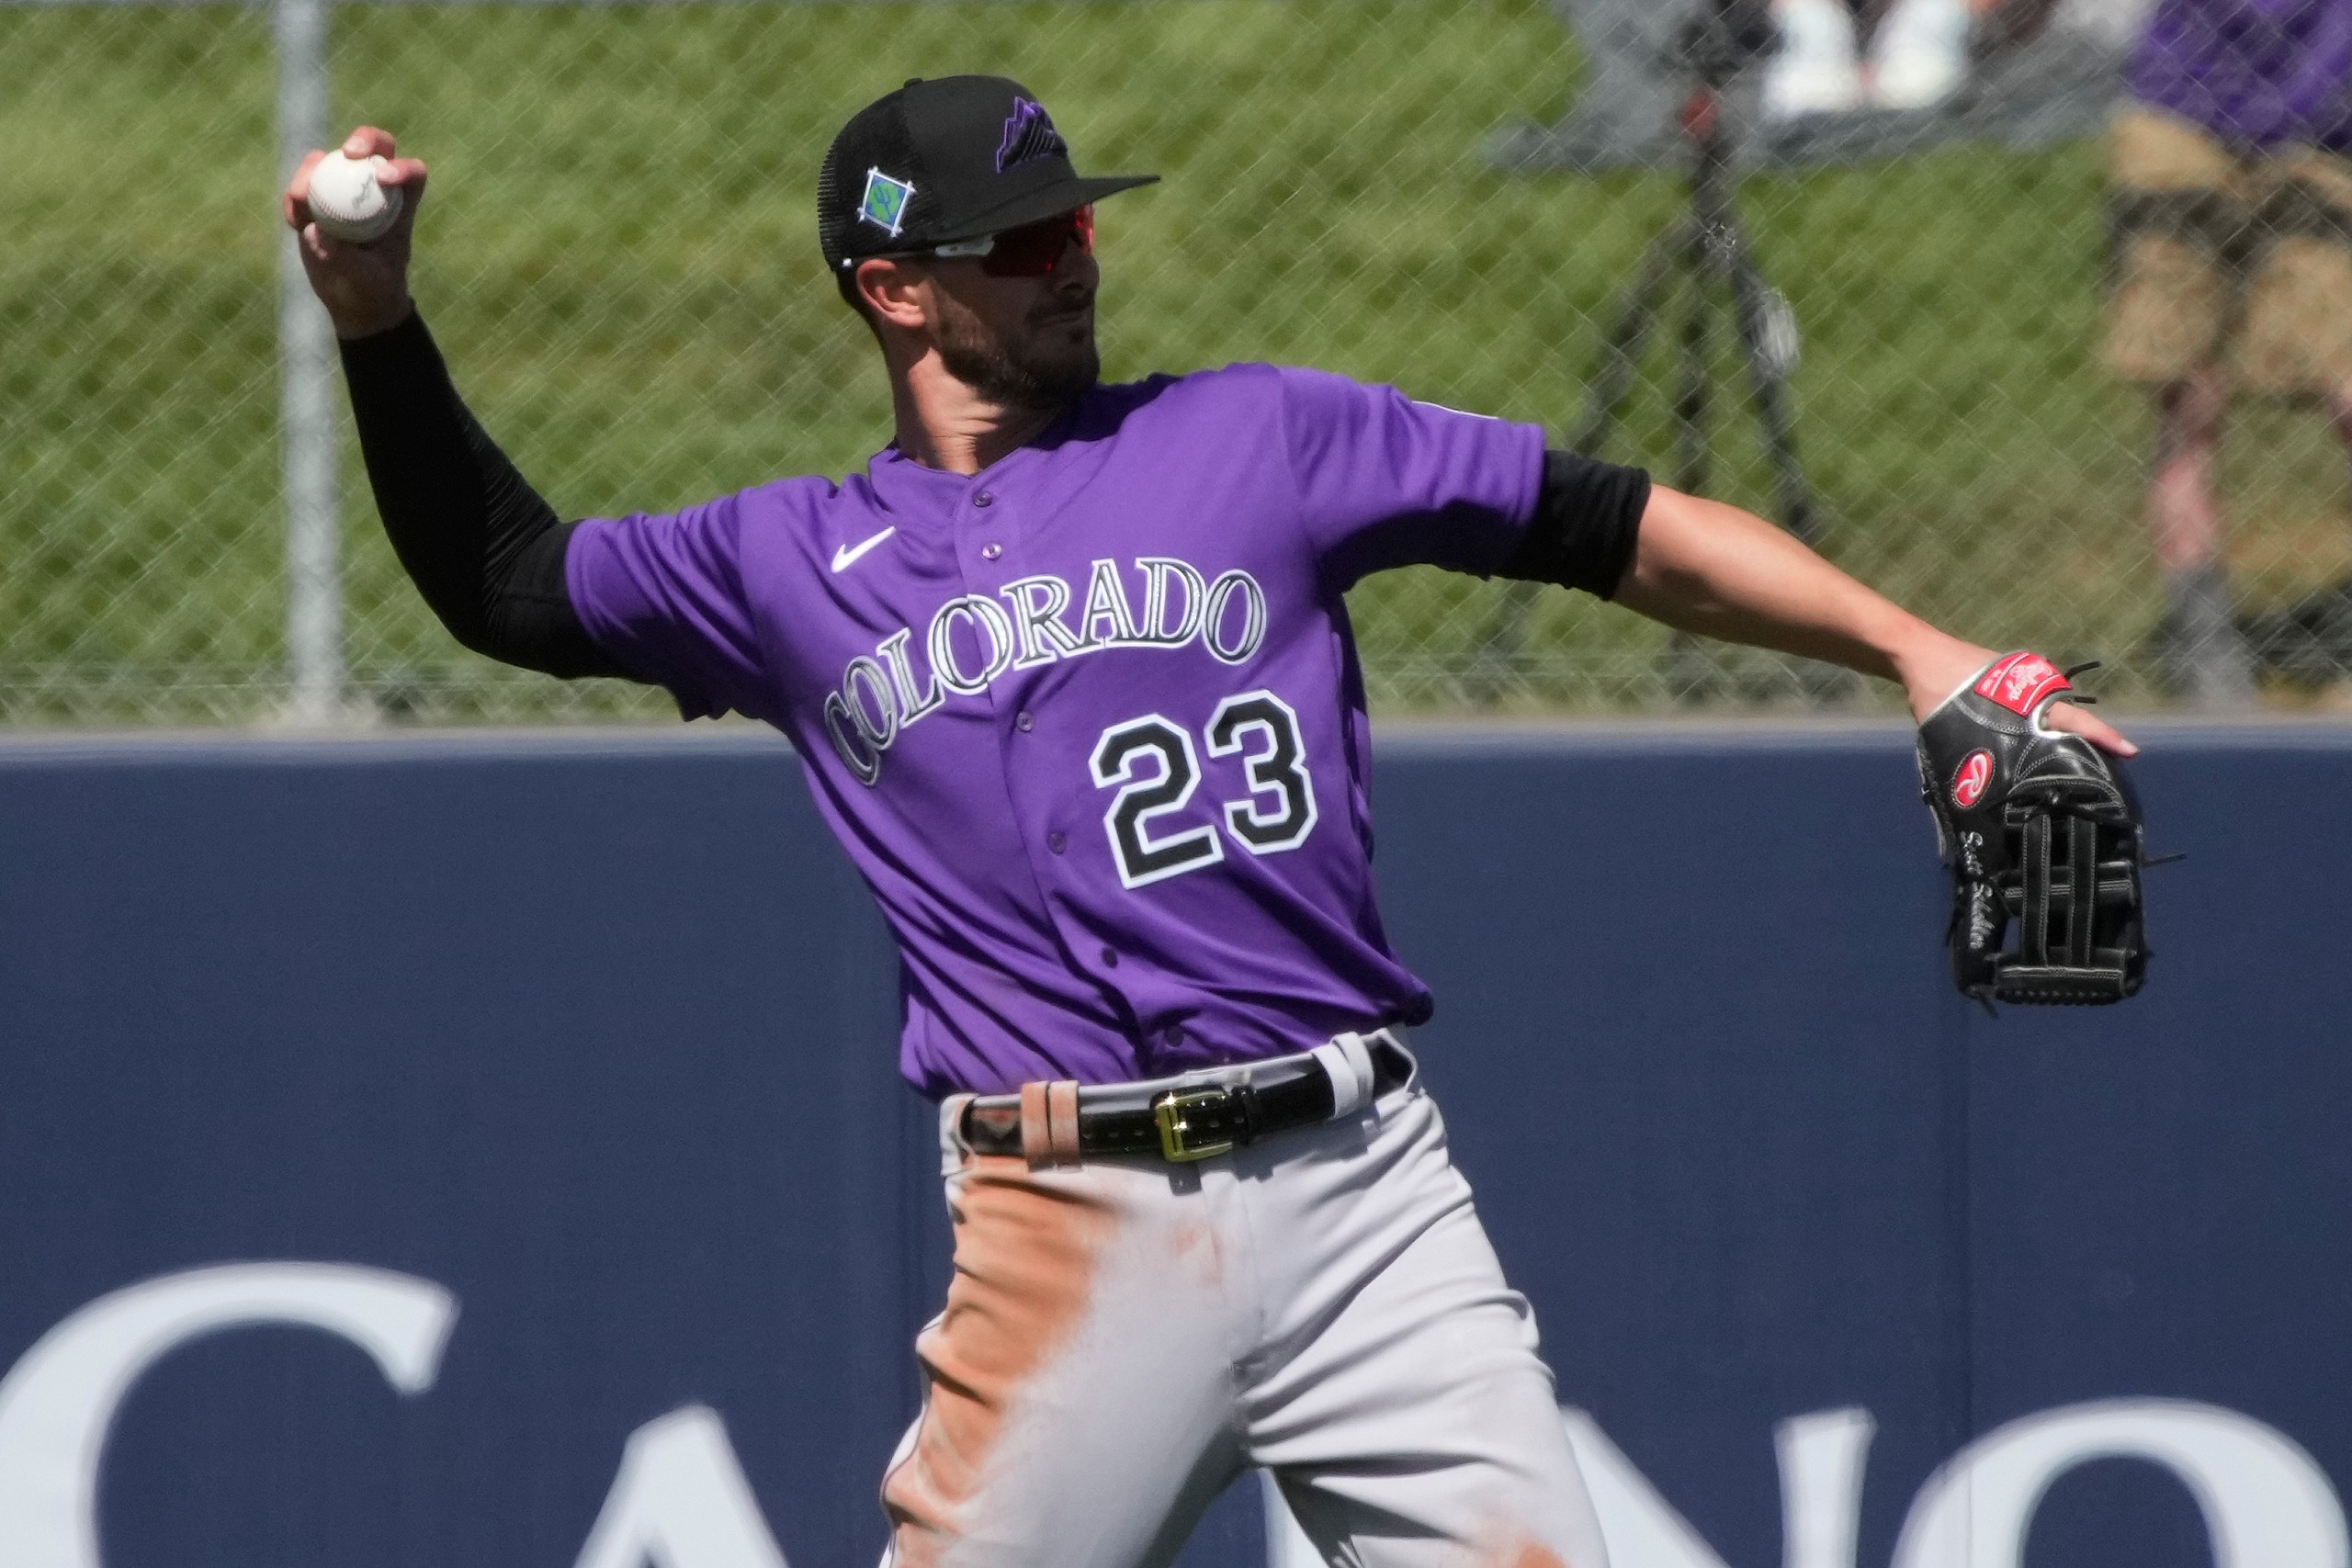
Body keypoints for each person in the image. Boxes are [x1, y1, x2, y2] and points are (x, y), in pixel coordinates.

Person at [284, 75, 2133, 1568]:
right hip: (1068, 1213)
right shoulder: (782, 562)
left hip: (1364, 1196)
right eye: (1011, 243)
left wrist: (1914, 644)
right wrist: (376, 321)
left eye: (1072, 223)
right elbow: (510, 586)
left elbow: (1607, 523)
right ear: (892, 288)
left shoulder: (1262, 436)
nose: (1065, 263)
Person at [2106, 0, 2352, 704]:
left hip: (2317, 133)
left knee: (2346, 391)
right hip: (2182, 113)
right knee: (2189, 402)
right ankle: (2207, 650)